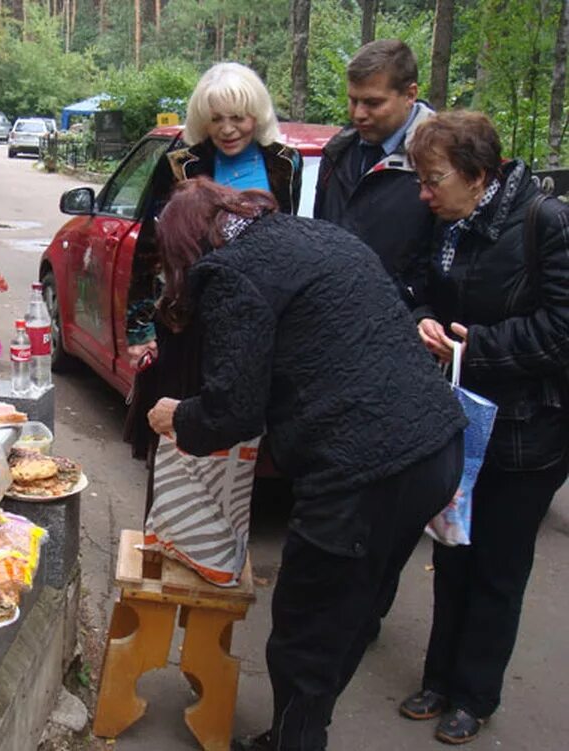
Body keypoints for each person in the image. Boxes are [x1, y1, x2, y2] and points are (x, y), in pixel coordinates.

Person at [145, 177, 467, 751]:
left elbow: (232, 410)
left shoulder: (231, 272)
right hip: (435, 448)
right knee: (351, 613)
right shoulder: (317, 235)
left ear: (188, 246)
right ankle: (297, 730)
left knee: (303, 633)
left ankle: (295, 740)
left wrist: (178, 416)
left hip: (364, 470)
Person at [398, 111, 569, 745]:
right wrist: (420, 317)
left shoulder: (544, 223)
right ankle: (438, 677)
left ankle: (474, 695)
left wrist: (479, 345)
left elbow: (562, 330)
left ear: (478, 175)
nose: (424, 191)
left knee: (498, 563)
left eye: (433, 178)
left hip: (529, 432)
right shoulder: (443, 219)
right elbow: (412, 283)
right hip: (459, 416)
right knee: (452, 548)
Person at [124, 62, 302, 504]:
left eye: (238, 117)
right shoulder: (181, 164)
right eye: (216, 118)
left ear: (256, 115)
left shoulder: (284, 162)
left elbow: (291, 240)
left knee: (236, 428)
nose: (227, 129)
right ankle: (165, 533)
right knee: (177, 431)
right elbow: (150, 248)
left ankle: (217, 544)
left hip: (254, 322)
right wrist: (141, 329)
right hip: (189, 320)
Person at [314, 39, 435, 299]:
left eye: (372, 103)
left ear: (410, 95)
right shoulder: (338, 153)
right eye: (353, 100)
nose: (358, 114)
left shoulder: (440, 161)